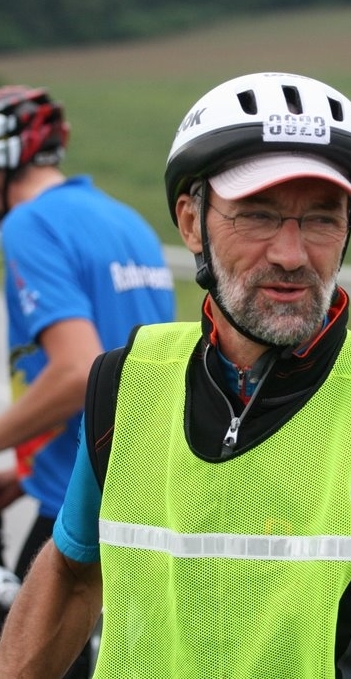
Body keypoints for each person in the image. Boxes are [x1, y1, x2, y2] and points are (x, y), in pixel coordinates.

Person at [0, 73, 351, 678]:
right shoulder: (128, 381)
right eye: (258, 216)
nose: (291, 254)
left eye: (321, 219)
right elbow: (74, 576)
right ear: (191, 222)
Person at [0, 86, 175, 675]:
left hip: (78, 508)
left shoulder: (28, 225)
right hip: (144, 491)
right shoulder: (125, 220)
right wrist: (25, 473)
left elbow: (78, 372)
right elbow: (131, 375)